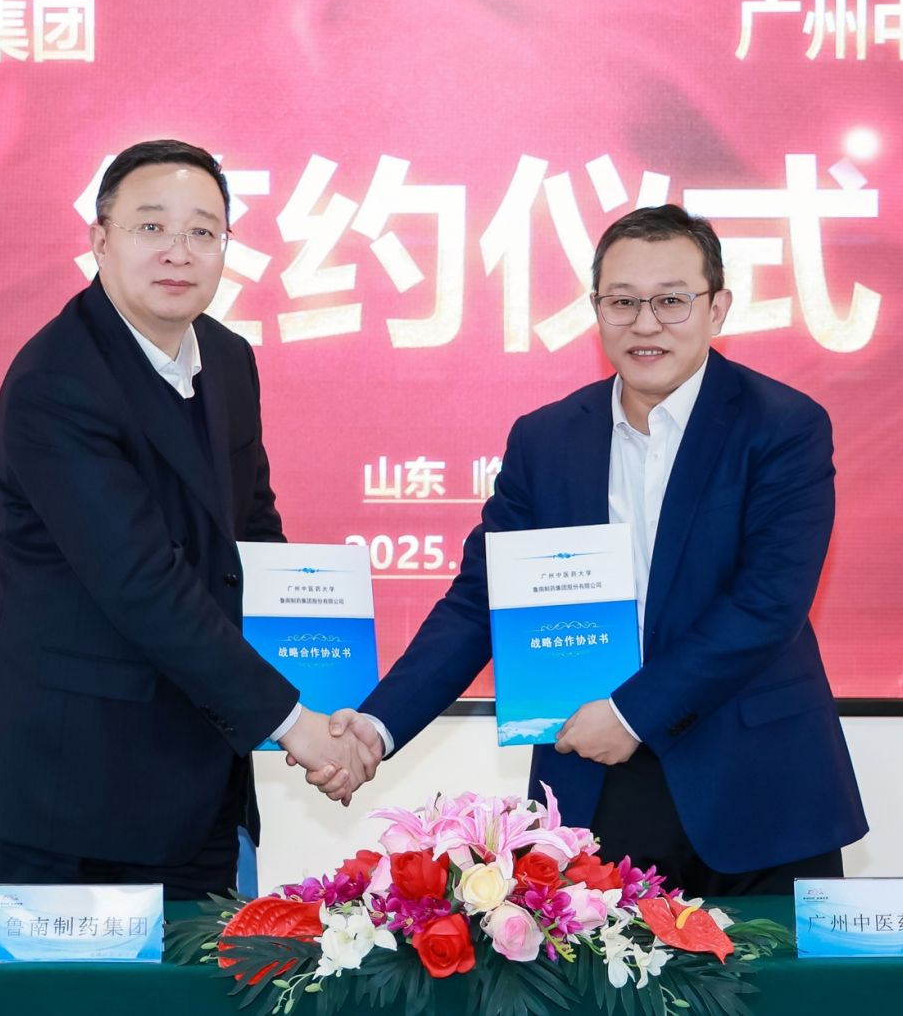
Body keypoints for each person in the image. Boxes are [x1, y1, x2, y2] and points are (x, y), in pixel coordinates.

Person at [337, 204, 867, 896]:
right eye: (623, 302)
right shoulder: (547, 439)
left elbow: (768, 603)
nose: (645, 324)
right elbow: (480, 602)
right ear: (596, 309)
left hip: (758, 786)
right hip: (596, 781)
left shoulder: (784, 426)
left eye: (671, 300)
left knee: (778, 973)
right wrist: (377, 727)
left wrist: (632, 713)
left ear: (717, 308)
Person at [0, 139, 376, 898]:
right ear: (100, 239)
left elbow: (251, 533)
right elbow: (142, 583)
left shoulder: (228, 359)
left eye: (202, 232)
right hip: (67, 789)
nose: (179, 252)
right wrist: (293, 722)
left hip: (195, 776)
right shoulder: (58, 380)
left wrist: (314, 682)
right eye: (151, 227)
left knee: (199, 969)